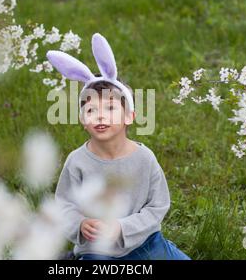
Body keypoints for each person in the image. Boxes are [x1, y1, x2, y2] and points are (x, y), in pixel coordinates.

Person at [47, 33, 190, 260]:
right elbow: (64, 205)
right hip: (98, 248)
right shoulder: (77, 162)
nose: (100, 116)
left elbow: (158, 205)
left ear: (130, 116)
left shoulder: (144, 158)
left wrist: (122, 228)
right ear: (83, 120)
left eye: (110, 108)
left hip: (145, 243)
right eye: (92, 110)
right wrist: (81, 224)